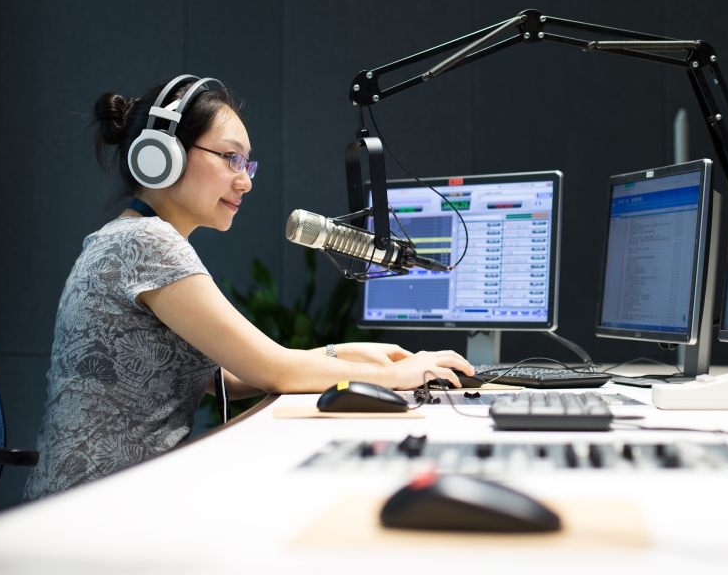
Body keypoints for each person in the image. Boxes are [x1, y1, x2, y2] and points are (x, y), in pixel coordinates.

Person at [23, 76, 472, 500]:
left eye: (247, 162)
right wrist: (394, 378)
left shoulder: (127, 237)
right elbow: (269, 371)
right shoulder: (145, 243)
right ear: (163, 154)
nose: (246, 180)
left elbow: (225, 380)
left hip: (109, 493)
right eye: (229, 158)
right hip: (99, 508)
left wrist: (345, 354)